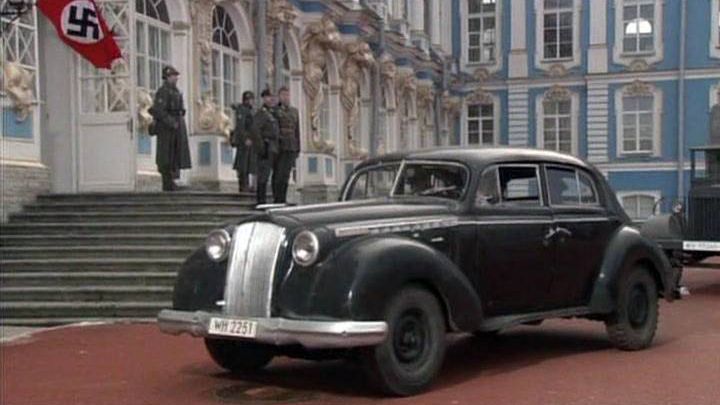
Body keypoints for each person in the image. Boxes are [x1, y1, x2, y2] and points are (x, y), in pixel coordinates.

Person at [150, 66, 192, 191]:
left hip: (177, 126)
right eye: (173, 76)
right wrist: (170, 122)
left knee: (175, 154)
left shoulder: (176, 91)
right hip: (166, 129)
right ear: (167, 77)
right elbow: (159, 110)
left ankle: (172, 180)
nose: (176, 78)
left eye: (176, 76)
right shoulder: (163, 91)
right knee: (166, 156)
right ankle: (167, 182)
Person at [272, 87, 301, 203]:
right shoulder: (275, 111)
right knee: (278, 174)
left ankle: (282, 198)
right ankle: (277, 198)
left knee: (286, 175)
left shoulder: (294, 111)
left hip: (291, 145)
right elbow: (274, 129)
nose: (286, 97)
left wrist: (298, 147)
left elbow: (297, 130)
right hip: (280, 146)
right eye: (283, 95)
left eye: (287, 95)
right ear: (279, 97)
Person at [251, 89, 279, 205]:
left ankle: (268, 199)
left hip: (273, 147)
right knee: (263, 176)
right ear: (263, 98)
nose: (271, 99)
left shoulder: (272, 113)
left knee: (269, 175)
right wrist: (261, 147)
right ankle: (261, 200)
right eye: (268, 97)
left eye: (272, 97)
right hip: (266, 147)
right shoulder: (261, 113)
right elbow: (255, 130)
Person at [231, 91, 256, 193]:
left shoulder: (249, 110)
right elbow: (241, 126)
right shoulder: (242, 110)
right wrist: (245, 138)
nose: (251, 101)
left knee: (248, 164)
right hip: (243, 141)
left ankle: (247, 184)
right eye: (250, 99)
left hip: (250, 139)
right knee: (243, 164)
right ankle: (243, 185)